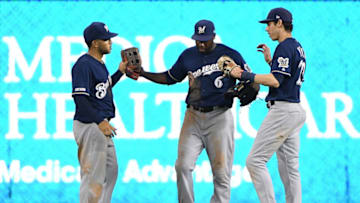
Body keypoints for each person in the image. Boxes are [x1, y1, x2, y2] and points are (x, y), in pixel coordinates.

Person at [135, 19, 249, 203]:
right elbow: (169, 77)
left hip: (219, 117)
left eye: (205, 39)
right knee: (182, 166)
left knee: (221, 173)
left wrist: (245, 92)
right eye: (197, 39)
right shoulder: (188, 55)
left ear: (213, 36)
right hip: (193, 117)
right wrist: (142, 73)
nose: (201, 43)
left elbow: (249, 80)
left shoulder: (230, 54)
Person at [225, 8, 307, 203]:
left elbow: (276, 81)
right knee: (290, 167)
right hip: (294, 109)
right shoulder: (296, 46)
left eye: (269, 24)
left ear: (280, 23)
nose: (267, 28)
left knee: (254, 161)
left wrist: (243, 75)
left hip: (284, 111)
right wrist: (272, 61)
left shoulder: (285, 47)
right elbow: (285, 76)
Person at [71, 22, 127, 203]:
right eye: (106, 39)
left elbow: (102, 89)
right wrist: (100, 121)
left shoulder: (98, 64)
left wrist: (119, 73)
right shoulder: (83, 64)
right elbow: (80, 99)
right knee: (93, 177)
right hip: (90, 124)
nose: (110, 42)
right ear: (95, 43)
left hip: (100, 123)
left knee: (111, 171)